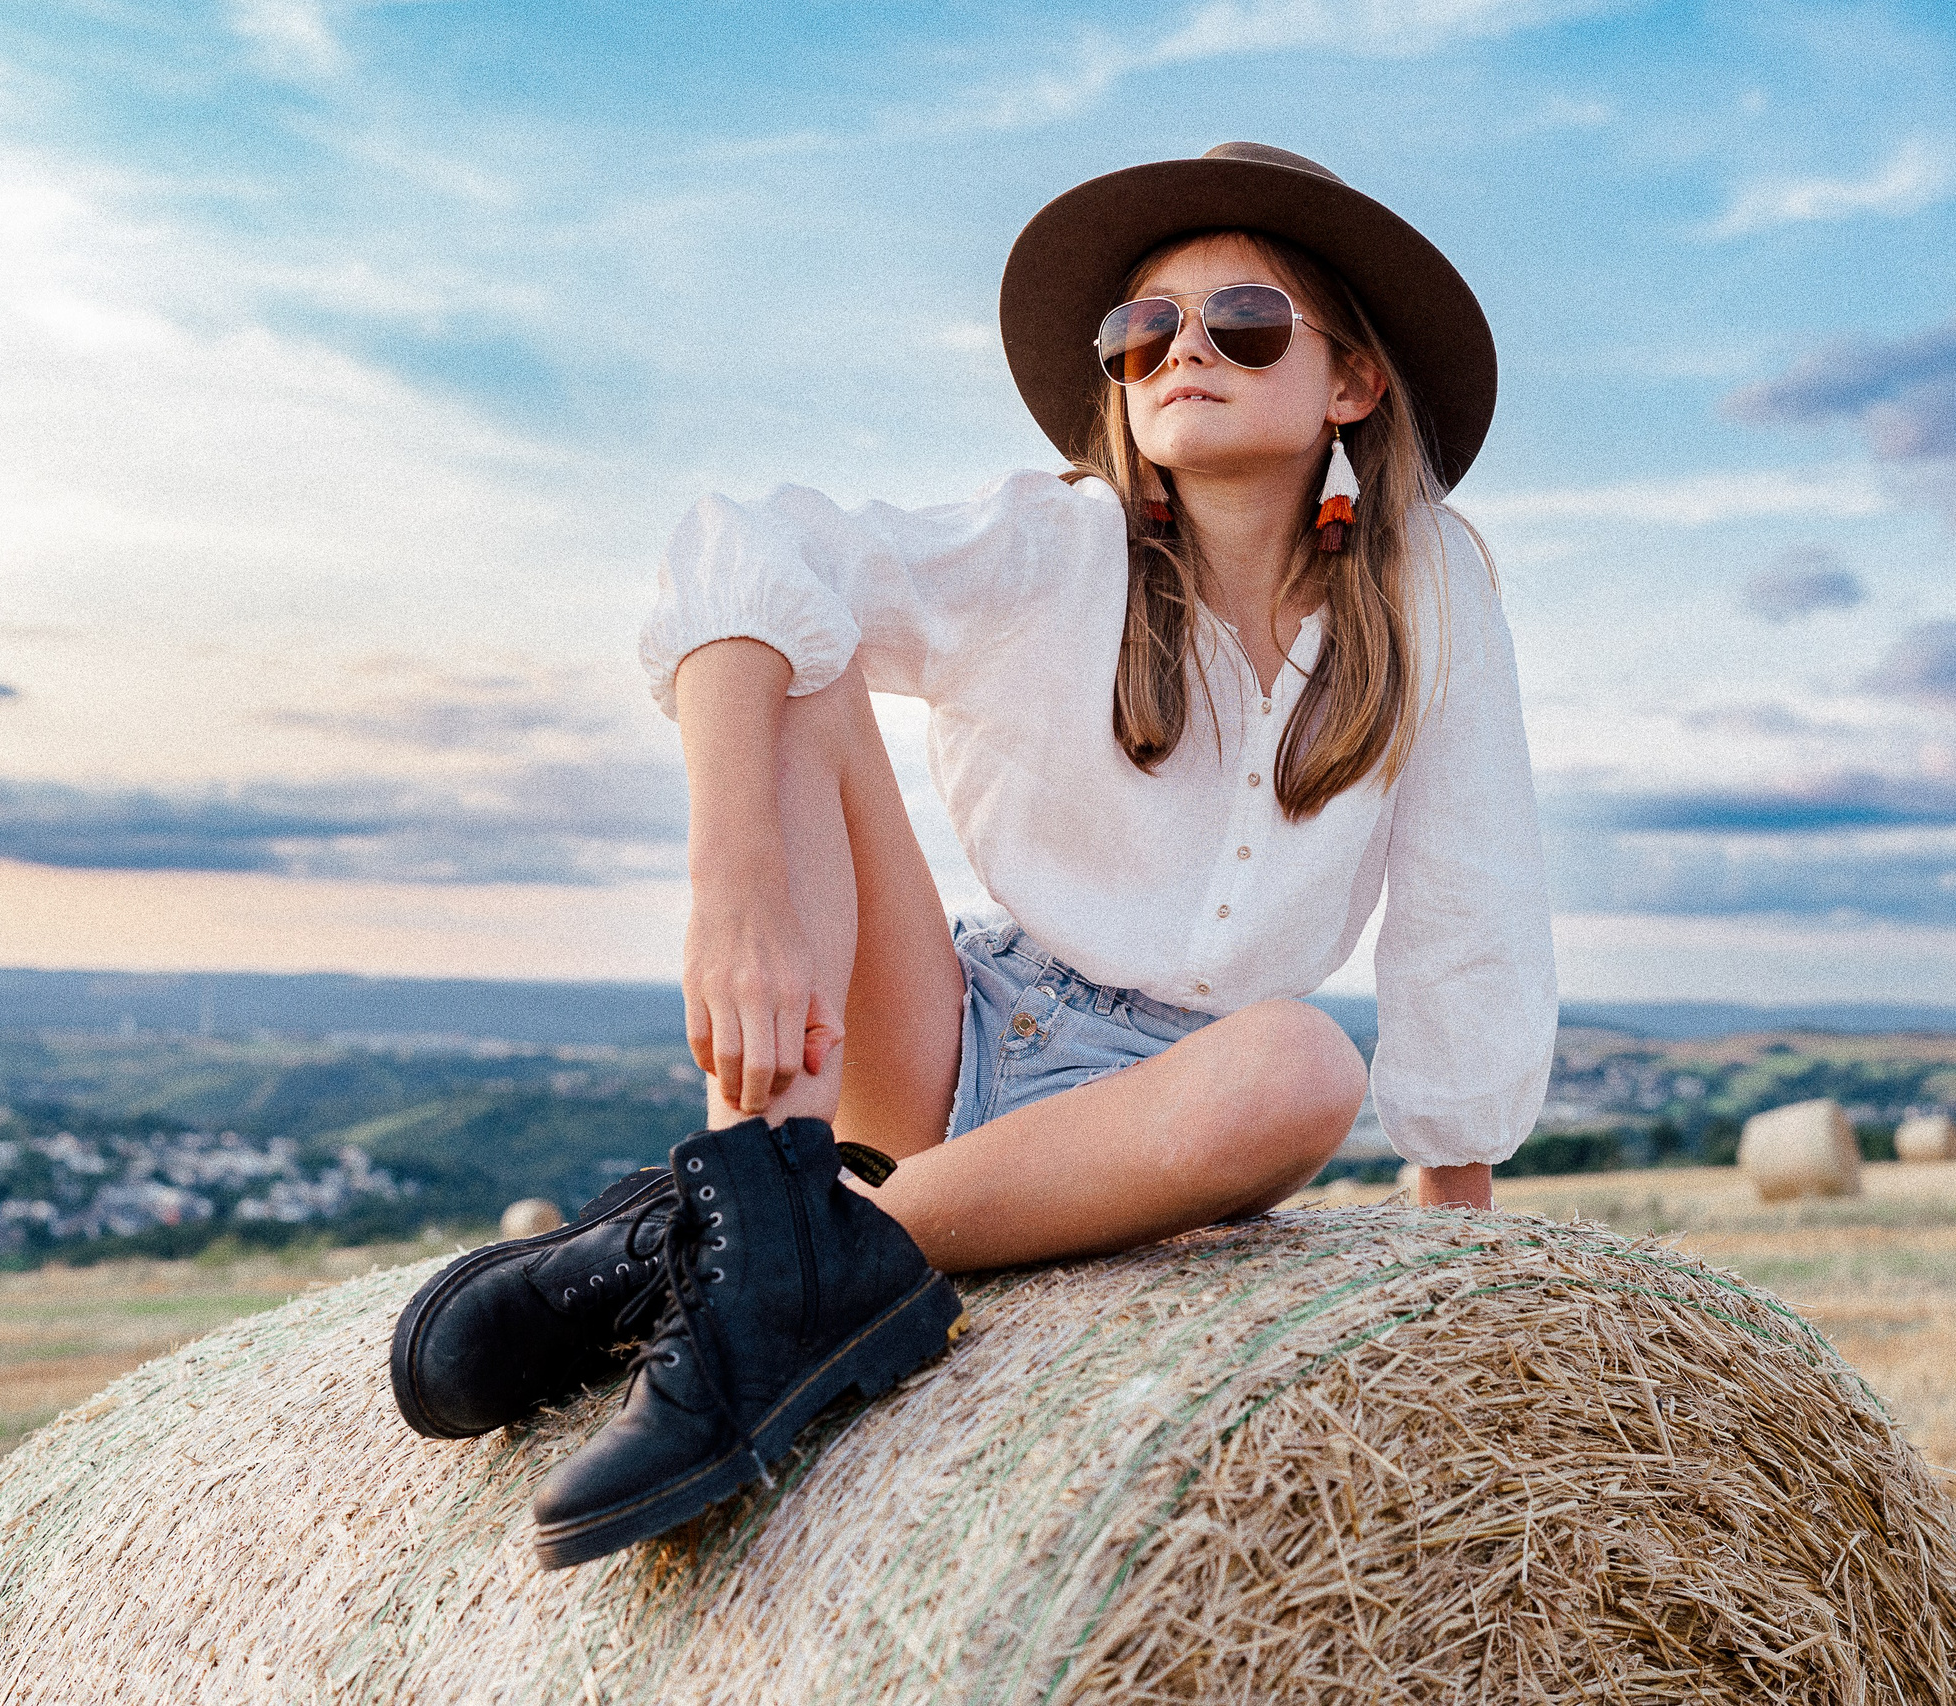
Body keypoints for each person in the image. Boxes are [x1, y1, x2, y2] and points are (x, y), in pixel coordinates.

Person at [387, 142, 1557, 1569]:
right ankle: (758, 1218)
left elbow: (1472, 894)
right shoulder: (1054, 546)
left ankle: (736, 1251)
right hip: (954, 1039)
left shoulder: (1430, 584)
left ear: (1354, 383)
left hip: (1171, 1114)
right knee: (803, 652)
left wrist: (1460, 1278)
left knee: (1307, 1065)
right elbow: (750, 550)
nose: (1184, 349)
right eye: (1143, 329)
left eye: (1244, 321)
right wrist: (733, 886)